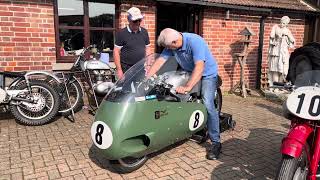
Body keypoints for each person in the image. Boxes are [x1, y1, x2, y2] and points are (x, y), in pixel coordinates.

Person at [146, 28, 221, 160]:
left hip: (207, 74)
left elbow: (199, 67)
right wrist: (147, 78)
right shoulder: (171, 44)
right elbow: (159, 61)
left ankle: (216, 142)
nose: (169, 50)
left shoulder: (195, 41)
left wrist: (188, 86)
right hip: (188, 71)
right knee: (173, 96)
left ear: (175, 42)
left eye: (169, 47)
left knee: (208, 103)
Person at [113, 7, 151, 79]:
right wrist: (119, 70)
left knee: (140, 89)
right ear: (128, 19)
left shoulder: (144, 32)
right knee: (125, 89)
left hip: (140, 67)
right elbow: (116, 51)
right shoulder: (122, 33)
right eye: (135, 21)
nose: (138, 23)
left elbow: (148, 48)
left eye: (139, 20)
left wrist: (148, 65)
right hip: (126, 68)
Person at [268, 16, 295, 87]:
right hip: (276, 52)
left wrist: (287, 36)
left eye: (284, 23)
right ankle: (274, 86)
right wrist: (275, 40)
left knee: (282, 71)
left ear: (286, 24)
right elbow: (271, 37)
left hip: (283, 53)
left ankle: (279, 87)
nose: (282, 24)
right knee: (275, 70)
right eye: (281, 22)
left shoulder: (287, 31)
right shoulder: (275, 27)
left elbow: (292, 41)